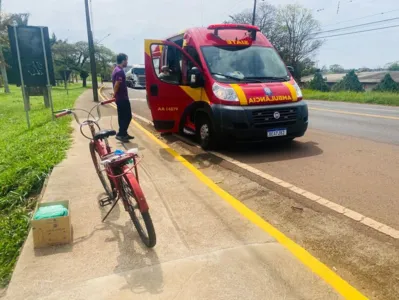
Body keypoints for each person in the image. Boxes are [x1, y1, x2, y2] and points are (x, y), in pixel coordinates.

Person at [112, 53, 134, 143]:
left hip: (119, 98)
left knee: (122, 117)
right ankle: (121, 134)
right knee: (128, 116)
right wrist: (114, 94)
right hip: (122, 98)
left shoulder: (115, 70)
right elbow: (117, 84)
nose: (127, 62)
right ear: (123, 60)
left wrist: (114, 94)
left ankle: (123, 133)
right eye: (126, 60)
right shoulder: (120, 71)